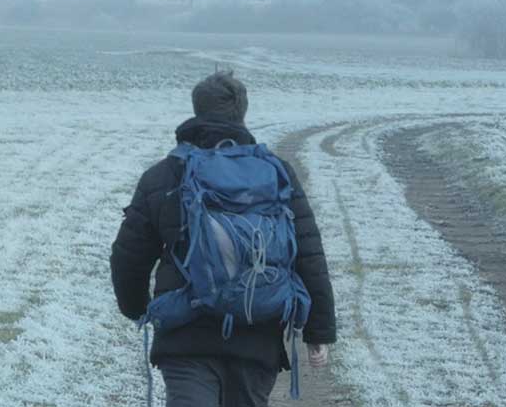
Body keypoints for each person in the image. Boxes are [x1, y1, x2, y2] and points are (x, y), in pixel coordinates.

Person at [110, 71, 337, 407]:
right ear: (242, 112)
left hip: (185, 336)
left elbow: (128, 255)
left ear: (196, 110)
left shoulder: (165, 174)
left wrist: (137, 308)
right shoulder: (275, 172)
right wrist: (319, 331)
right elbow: (308, 252)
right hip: (257, 332)